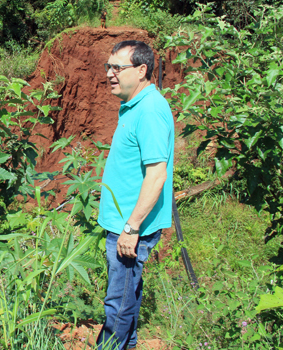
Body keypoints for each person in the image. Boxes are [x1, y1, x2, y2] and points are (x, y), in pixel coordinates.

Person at [95, 40, 174, 350]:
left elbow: (157, 175)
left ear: (142, 70)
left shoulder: (151, 110)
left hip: (130, 228)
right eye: (108, 67)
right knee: (126, 297)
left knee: (118, 304)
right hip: (124, 224)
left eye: (118, 67)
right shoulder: (135, 105)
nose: (110, 74)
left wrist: (131, 228)